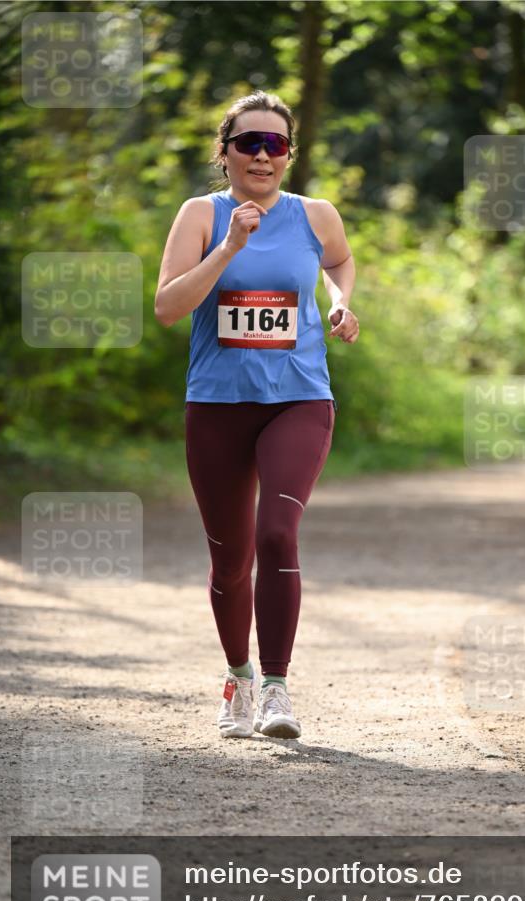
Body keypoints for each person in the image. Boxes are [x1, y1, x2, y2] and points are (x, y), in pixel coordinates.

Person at [155, 90, 359, 740]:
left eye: (275, 144)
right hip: (216, 405)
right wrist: (229, 248)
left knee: (276, 534)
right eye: (249, 143)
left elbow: (338, 262)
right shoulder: (200, 215)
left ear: (290, 153)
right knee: (228, 558)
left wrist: (338, 300)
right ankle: (237, 678)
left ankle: (276, 689)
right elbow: (166, 306)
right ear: (225, 153)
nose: (263, 156)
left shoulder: (315, 215)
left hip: (298, 398)